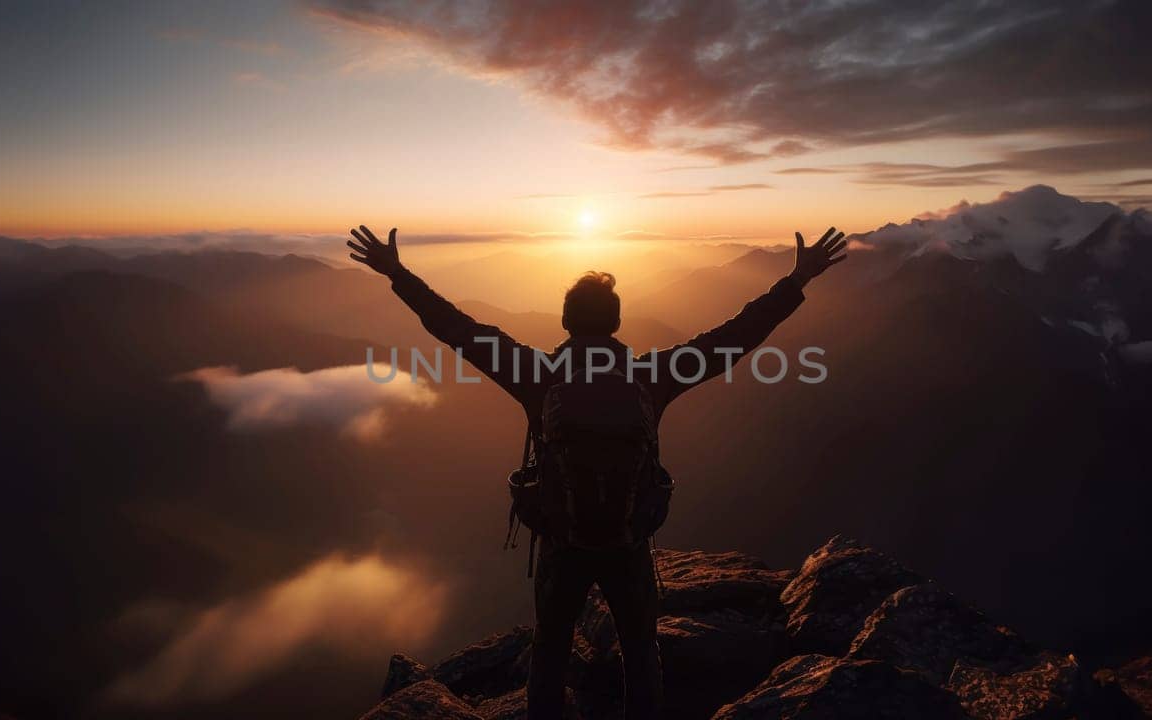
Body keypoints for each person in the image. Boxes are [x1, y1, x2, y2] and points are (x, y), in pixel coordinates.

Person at [346, 224, 847, 720]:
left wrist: (397, 273)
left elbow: (458, 329)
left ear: (566, 323)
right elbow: (734, 337)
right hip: (628, 542)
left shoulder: (537, 374)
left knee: (550, 650)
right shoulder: (651, 377)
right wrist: (796, 280)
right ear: (616, 323)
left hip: (562, 541)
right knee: (639, 650)